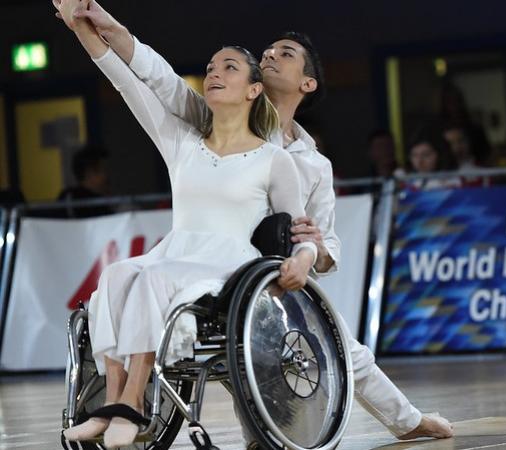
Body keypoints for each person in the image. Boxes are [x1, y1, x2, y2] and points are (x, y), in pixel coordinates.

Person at [57, 0, 453, 442]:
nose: (269, 56)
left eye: (284, 54)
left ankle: (408, 421)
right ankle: (123, 406)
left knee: (344, 348)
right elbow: (154, 77)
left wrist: (312, 251)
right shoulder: (209, 120)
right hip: (209, 266)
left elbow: (325, 243)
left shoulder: (310, 163)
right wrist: (104, 27)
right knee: (133, 283)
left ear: (307, 82)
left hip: (268, 274)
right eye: (265, 52)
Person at [55, 1, 318, 448]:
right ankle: (113, 402)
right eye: (211, 67)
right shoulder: (183, 142)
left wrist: (306, 259)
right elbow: (124, 81)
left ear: (254, 89)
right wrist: (78, 25)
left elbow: (297, 235)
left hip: (229, 265)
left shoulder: (275, 160)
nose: (214, 72)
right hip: (178, 251)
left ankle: (134, 404)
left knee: (152, 278)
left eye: (229, 67)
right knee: (118, 275)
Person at [57, 144, 113, 217]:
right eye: (103, 170)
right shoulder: (96, 205)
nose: (106, 176)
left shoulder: (67, 198)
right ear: (89, 173)